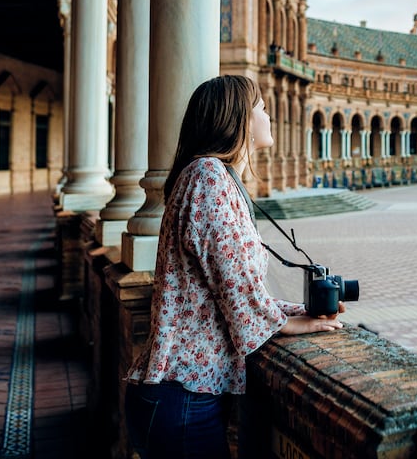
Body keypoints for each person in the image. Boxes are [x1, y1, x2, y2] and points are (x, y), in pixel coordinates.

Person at [123, 75, 344, 458]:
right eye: (260, 107)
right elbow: (239, 293)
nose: (268, 114)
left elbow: (226, 290)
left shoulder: (212, 176)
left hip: (183, 396)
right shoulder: (209, 177)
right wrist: (285, 322)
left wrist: (296, 310)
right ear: (238, 118)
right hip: (185, 399)